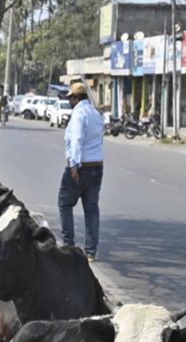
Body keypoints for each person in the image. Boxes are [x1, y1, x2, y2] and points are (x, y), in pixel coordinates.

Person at [59, 82, 104, 262]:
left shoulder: (79, 114)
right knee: (91, 209)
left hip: (81, 166)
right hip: (97, 165)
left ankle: (68, 245)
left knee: (64, 203)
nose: (70, 101)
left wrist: (74, 164)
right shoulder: (96, 114)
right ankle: (91, 251)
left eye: (71, 98)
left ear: (76, 98)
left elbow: (77, 138)